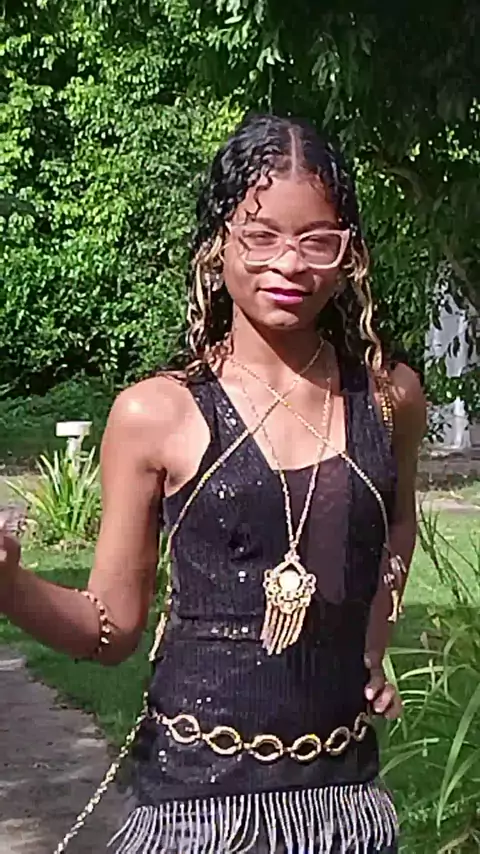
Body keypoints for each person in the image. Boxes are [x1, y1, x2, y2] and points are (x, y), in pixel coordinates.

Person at [0, 113, 426, 853]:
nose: (289, 264)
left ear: (348, 254)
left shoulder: (389, 399)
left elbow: (398, 523)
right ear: (216, 245)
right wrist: (9, 584)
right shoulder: (156, 414)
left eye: (316, 240)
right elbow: (109, 630)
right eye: (260, 236)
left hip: (347, 806)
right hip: (198, 811)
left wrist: (373, 638)